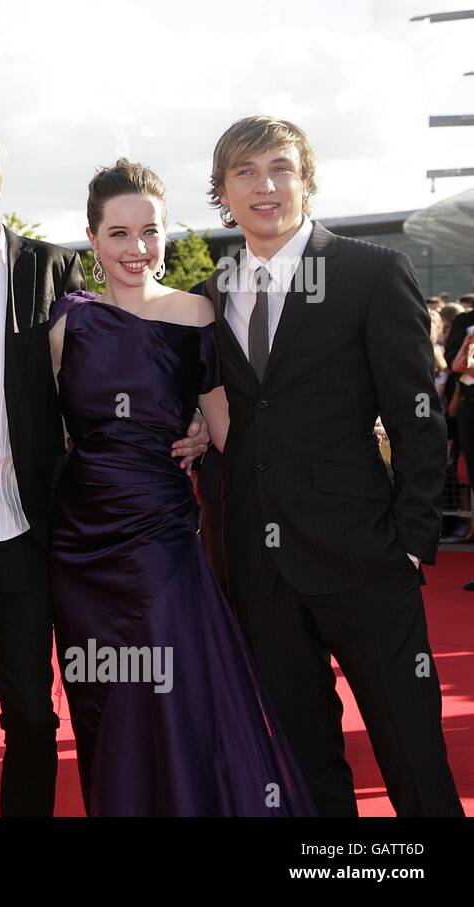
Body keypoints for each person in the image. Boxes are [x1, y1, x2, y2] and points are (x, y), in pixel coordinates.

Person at [0, 115, 209, 816]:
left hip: (20, 522)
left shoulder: (49, 267)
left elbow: (113, 350)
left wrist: (189, 408)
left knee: (29, 709)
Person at [194, 115, 462, 816]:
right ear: (223, 190)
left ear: (306, 179)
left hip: (366, 560)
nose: (265, 185)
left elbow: (417, 418)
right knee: (304, 764)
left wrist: (409, 541)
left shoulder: (371, 273)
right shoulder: (215, 292)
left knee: (413, 756)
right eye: (245, 172)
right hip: (261, 570)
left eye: (280, 167)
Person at [47, 159, 313, 815]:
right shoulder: (65, 323)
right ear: (92, 238)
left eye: (150, 231)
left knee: (172, 690)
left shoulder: (196, 311)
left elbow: (229, 428)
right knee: (102, 700)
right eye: (119, 233)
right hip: (78, 546)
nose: (137, 249)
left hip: (160, 537)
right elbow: (40, 432)